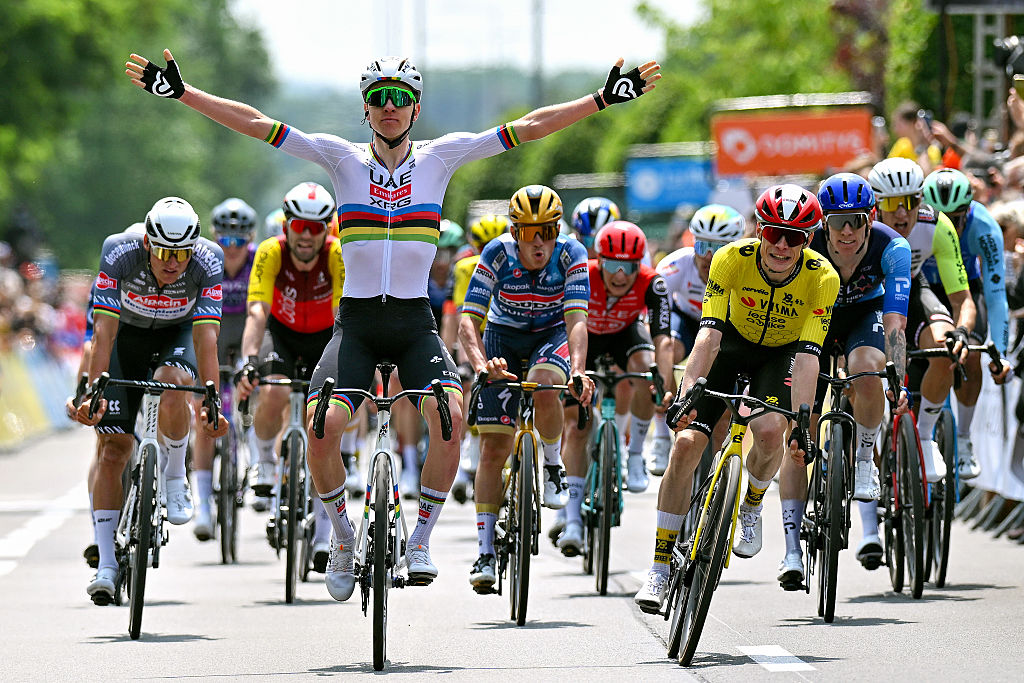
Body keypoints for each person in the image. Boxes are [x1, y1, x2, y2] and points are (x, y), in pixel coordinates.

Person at [126, 48, 660, 600]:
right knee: (320, 427)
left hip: (412, 324)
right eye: (379, 97)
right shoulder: (340, 158)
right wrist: (184, 94)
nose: (389, 106)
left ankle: (420, 541)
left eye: (400, 98)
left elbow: (529, 127)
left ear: (415, 107)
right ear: (365, 107)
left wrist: (601, 99)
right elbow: (257, 123)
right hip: (357, 324)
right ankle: (342, 538)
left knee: (451, 419)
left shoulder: (440, 158)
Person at [633, 184, 839, 612]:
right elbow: (707, 338)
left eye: (794, 237)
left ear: (809, 239)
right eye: (774, 234)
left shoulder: (823, 278)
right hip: (730, 345)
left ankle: (752, 503)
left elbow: (807, 358)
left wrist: (802, 423)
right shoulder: (729, 259)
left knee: (771, 432)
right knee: (686, 445)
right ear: (759, 230)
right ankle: (659, 566)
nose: (782, 246)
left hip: (781, 354)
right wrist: (687, 394)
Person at [75, 197, 227, 604]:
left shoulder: (208, 259)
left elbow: (206, 338)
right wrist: (95, 389)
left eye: (181, 253)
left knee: (172, 384)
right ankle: (106, 564)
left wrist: (211, 399)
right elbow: (102, 333)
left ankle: (176, 477)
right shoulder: (118, 251)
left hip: (178, 334)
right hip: (127, 335)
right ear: (147, 243)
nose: (173, 263)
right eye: (163, 252)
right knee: (113, 450)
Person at [776, 173, 912, 584]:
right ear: (824, 224)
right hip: (813, 316)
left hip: (864, 316)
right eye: (838, 222)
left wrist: (898, 379)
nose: (847, 231)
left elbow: (895, 323)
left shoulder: (894, 248)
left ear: (871, 219)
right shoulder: (806, 245)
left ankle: (864, 458)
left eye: (856, 221)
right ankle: (791, 548)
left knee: (867, 368)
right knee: (799, 429)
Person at [460, 185, 595, 591]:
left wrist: (578, 370)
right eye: (529, 233)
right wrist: (482, 366)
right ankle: (485, 551)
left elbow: (576, 321)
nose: (539, 243)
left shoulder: (571, 254)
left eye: (548, 232)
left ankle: (552, 465)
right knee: (493, 449)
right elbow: (469, 321)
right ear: (514, 232)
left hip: (550, 334)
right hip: (502, 338)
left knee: (547, 383)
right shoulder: (496, 254)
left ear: (558, 230)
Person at [236, 182, 344, 570]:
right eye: (300, 226)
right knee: (274, 392)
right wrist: (249, 359)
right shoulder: (271, 251)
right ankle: (264, 459)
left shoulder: (337, 253)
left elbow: (343, 316)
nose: (307, 236)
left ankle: (323, 534)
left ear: (326, 230)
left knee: (321, 429)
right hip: (280, 334)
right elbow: (257, 311)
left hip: (324, 337)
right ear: (287, 226)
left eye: (316, 228)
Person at [556, 221, 673, 557]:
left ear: (640, 265)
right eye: (612, 266)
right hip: (585, 338)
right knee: (576, 428)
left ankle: (634, 455)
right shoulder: (581, 274)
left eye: (629, 267)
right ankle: (572, 520)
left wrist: (662, 386)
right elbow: (566, 323)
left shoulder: (653, 282)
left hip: (624, 334)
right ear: (599, 260)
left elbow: (664, 340)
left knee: (645, 371)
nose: (620, 276)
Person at [867, 158, 974, 484]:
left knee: (945, 348)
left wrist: (962, 331)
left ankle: (924, 436)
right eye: (892, 204)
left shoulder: (936, 224)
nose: (903, 213)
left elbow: (962, 299)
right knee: (864, 373)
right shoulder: (861, 227)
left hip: (911, 291)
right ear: (876, 205)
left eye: (911, 201)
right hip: (866, 295)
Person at [921, 168, 1013, 478]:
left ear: (968, 211)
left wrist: (1000, 353)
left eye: (956, 219)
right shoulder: (917, 221)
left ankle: (963, 439)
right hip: (924, 289)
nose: (948, 225)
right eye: (941, 218)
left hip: (965, 290)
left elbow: (996, 295)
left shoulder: (984, 225)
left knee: (972, 353)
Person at [650, 204, 745, 475]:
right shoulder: (674, 266)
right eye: (703, 246)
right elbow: (657, 320)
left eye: (719, 248)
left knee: (724, 410)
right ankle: (661, 430)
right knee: (666, 348)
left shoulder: (745, 270)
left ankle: (715, 476)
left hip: (724, 328)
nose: (709, 257)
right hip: (688, 321)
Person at [192, 198, 258, 542]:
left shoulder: (258, 260)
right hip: (212, 334)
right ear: (215, 236)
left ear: (251, 239)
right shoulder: (204, 258)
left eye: (239, 240)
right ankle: (203, 504)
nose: (232, 248)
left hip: (244, 332)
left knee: (261, 389)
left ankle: (258, 461)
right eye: (225, 240)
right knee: (204, 417)